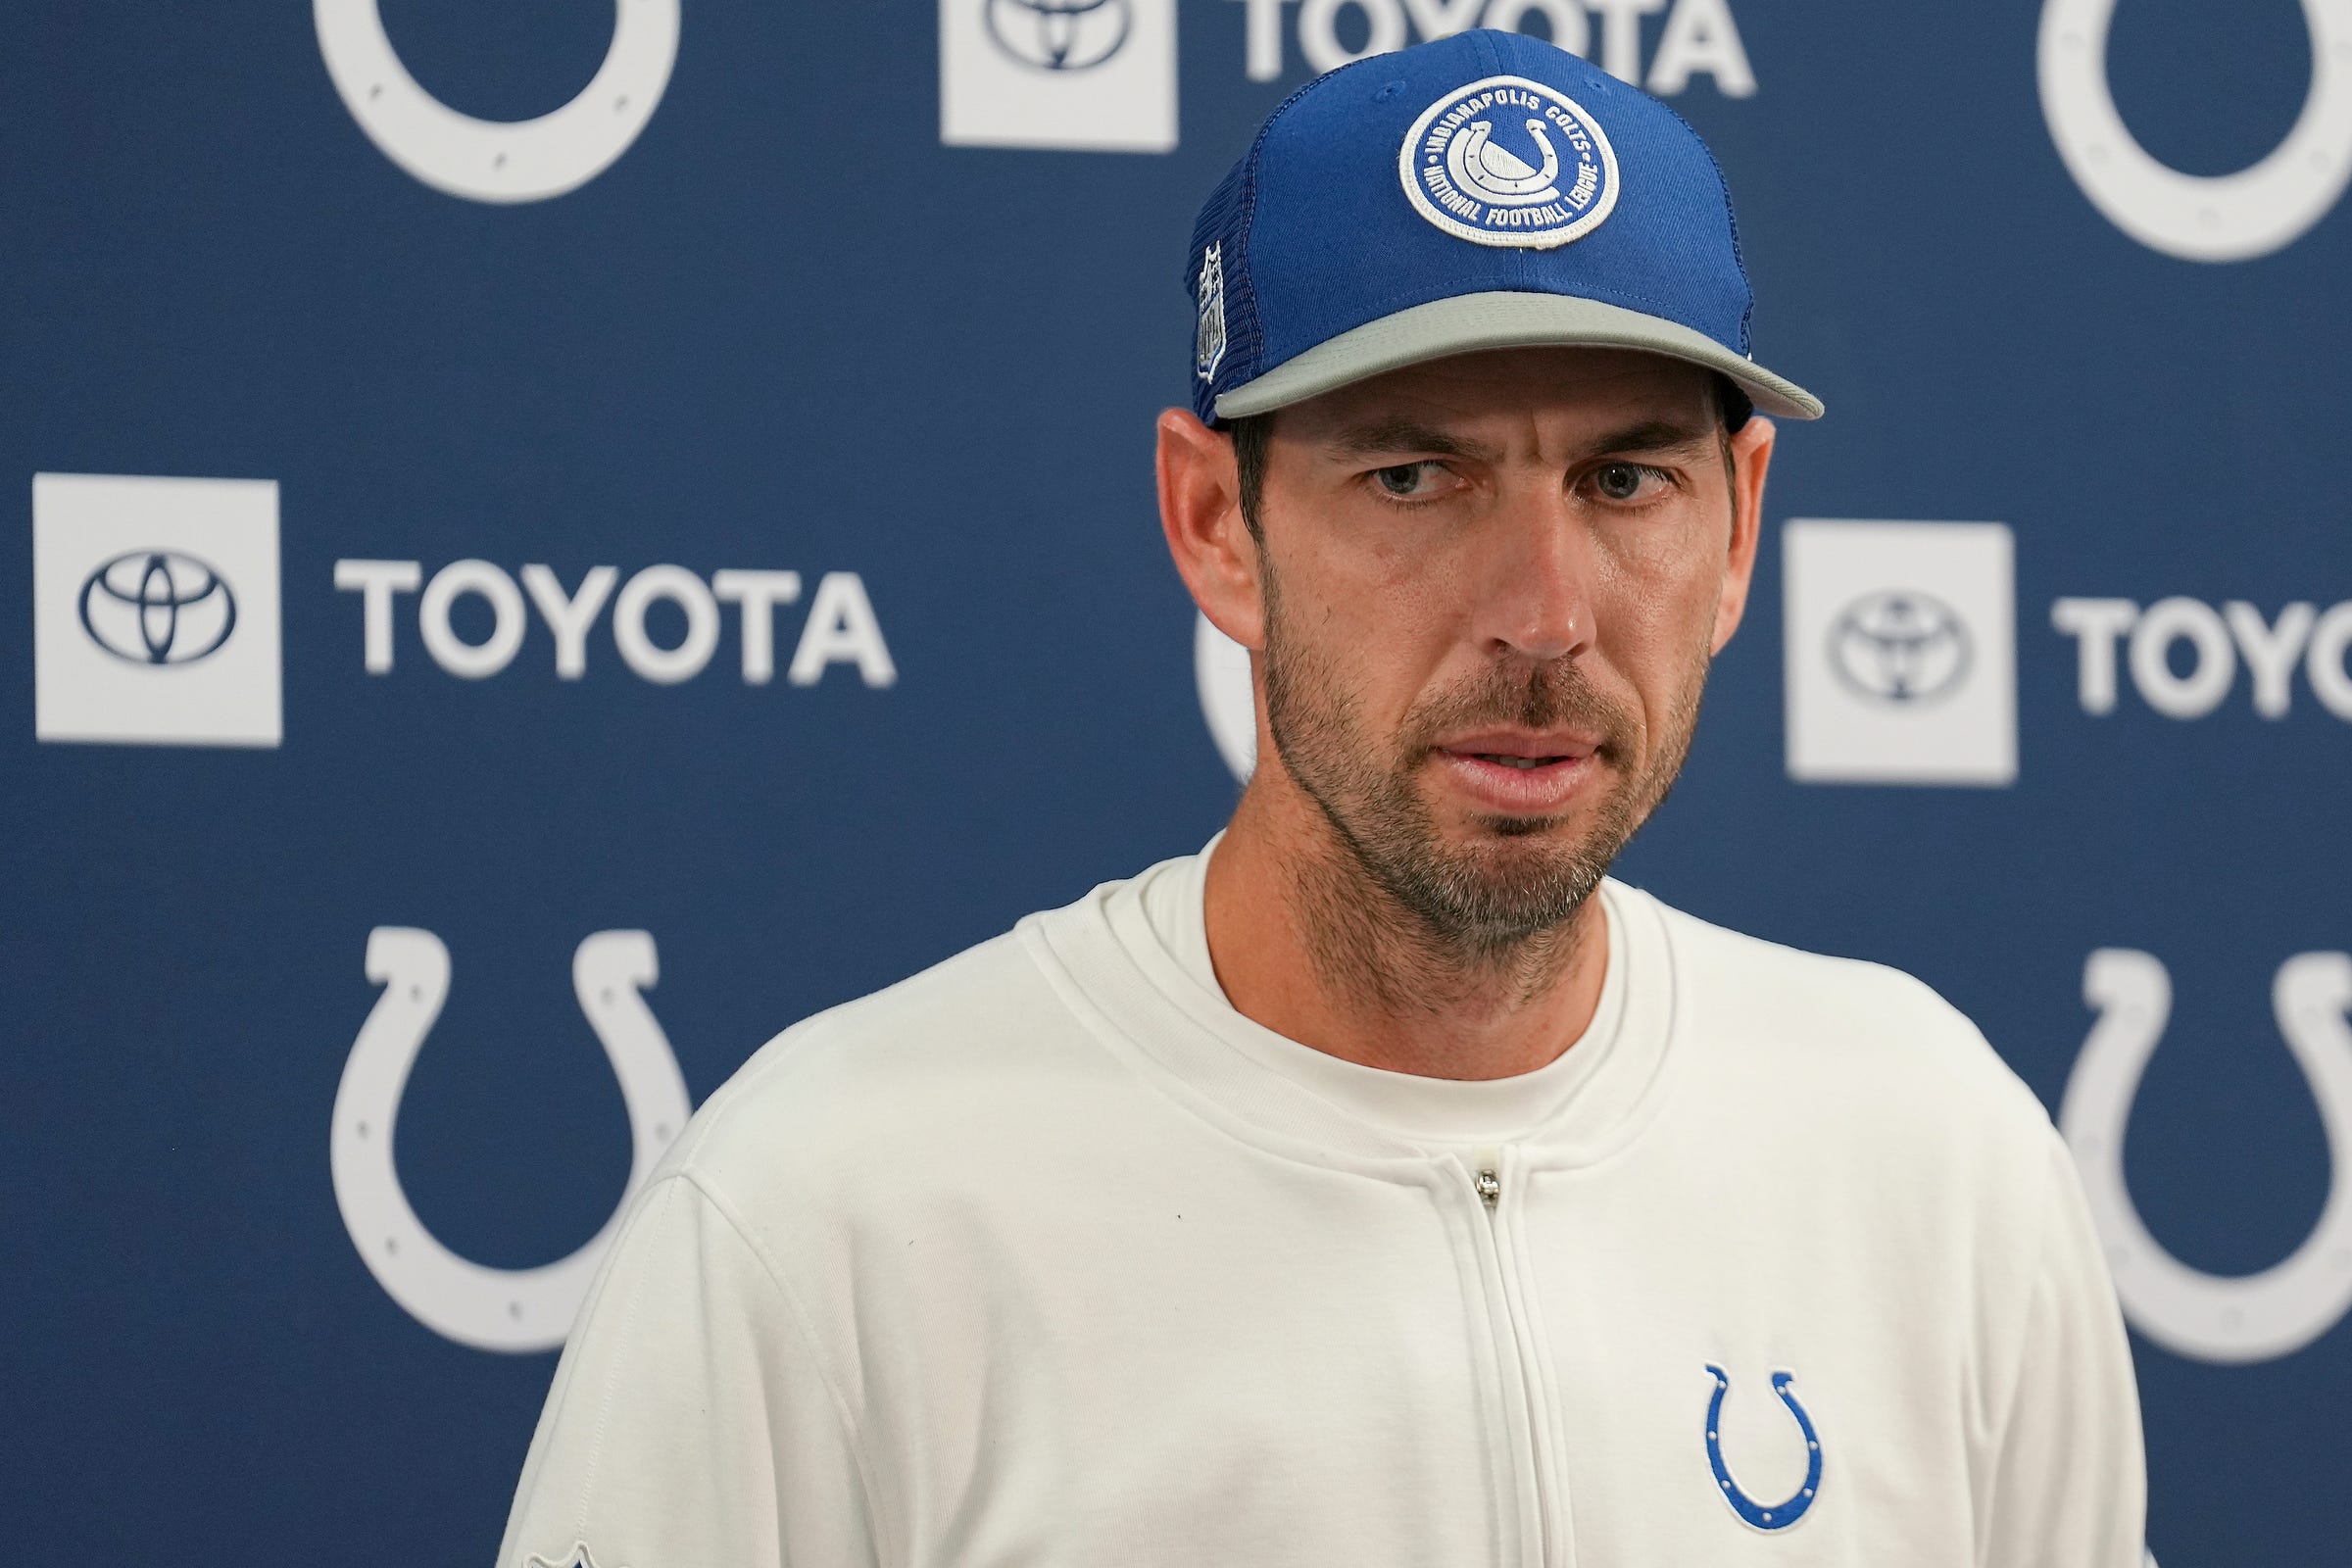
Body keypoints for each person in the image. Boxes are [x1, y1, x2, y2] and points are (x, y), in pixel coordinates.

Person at [498, 27, 2145, 1567]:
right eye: (1413, 476)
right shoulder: (831, 1204)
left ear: (1738, 528)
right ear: (1217, 520)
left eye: (1625, 478)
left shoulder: (1935, 1156)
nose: (1545, 615)